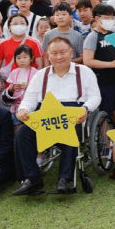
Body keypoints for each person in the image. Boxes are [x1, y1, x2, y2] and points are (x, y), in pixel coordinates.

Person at [12, 37, 101, 195]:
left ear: (71, 52)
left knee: (70, 131)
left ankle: (65, 179)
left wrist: (86, 109)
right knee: (22, 133)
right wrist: (23, 109)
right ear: (47, 55)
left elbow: (95, 96)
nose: (59, 57)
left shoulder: (84, 72)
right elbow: (30, 99)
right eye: (54, 53)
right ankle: (32, 178)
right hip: (46, 115)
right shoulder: (41, 75)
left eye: (63, 52)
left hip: (74, 113)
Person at [82, 4, 115, 126]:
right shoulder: (92, 37)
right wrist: (111, 64)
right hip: (102, 81)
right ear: (97, 18)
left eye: (113, 17)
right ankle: (105, 142)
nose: (111, 20)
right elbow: (88, 60)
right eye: (108, 17)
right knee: (105, 112)